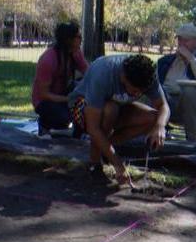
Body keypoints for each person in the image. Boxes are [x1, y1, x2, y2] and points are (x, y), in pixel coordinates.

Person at [69, 54, 168, 186]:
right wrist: (118, 163)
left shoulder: (148, 74)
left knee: (154, 119)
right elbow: (93, 128)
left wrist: (160, 126)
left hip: (116, 109)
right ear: (123, 77)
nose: (137, 94)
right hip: (81, 107)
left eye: (141, 92)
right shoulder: (103, 73)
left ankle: (105, 149)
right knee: (111, 109)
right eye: (134, 90)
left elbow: (163, 106)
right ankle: (94, 163)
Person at [155, 23, 196, 142]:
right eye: (179, 40)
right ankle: (147, 135)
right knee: (149, 90)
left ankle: (195, 140)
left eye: (186, 40)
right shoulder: (165, 61)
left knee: (190, 91)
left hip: (191, 105)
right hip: (165, 101)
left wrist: (190, 58)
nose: (181, 44)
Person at [31, 21, 86, 136]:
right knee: (63, 118)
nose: (81, 39)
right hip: (44, 101)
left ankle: (77, 134)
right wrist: (69, 99)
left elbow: (89, 74)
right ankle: (45, 125)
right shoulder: (48, 60)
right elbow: (43, 95)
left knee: (85, 102)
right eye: (78, 37)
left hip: (64, 94)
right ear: (68, 40)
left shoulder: (75, 53)